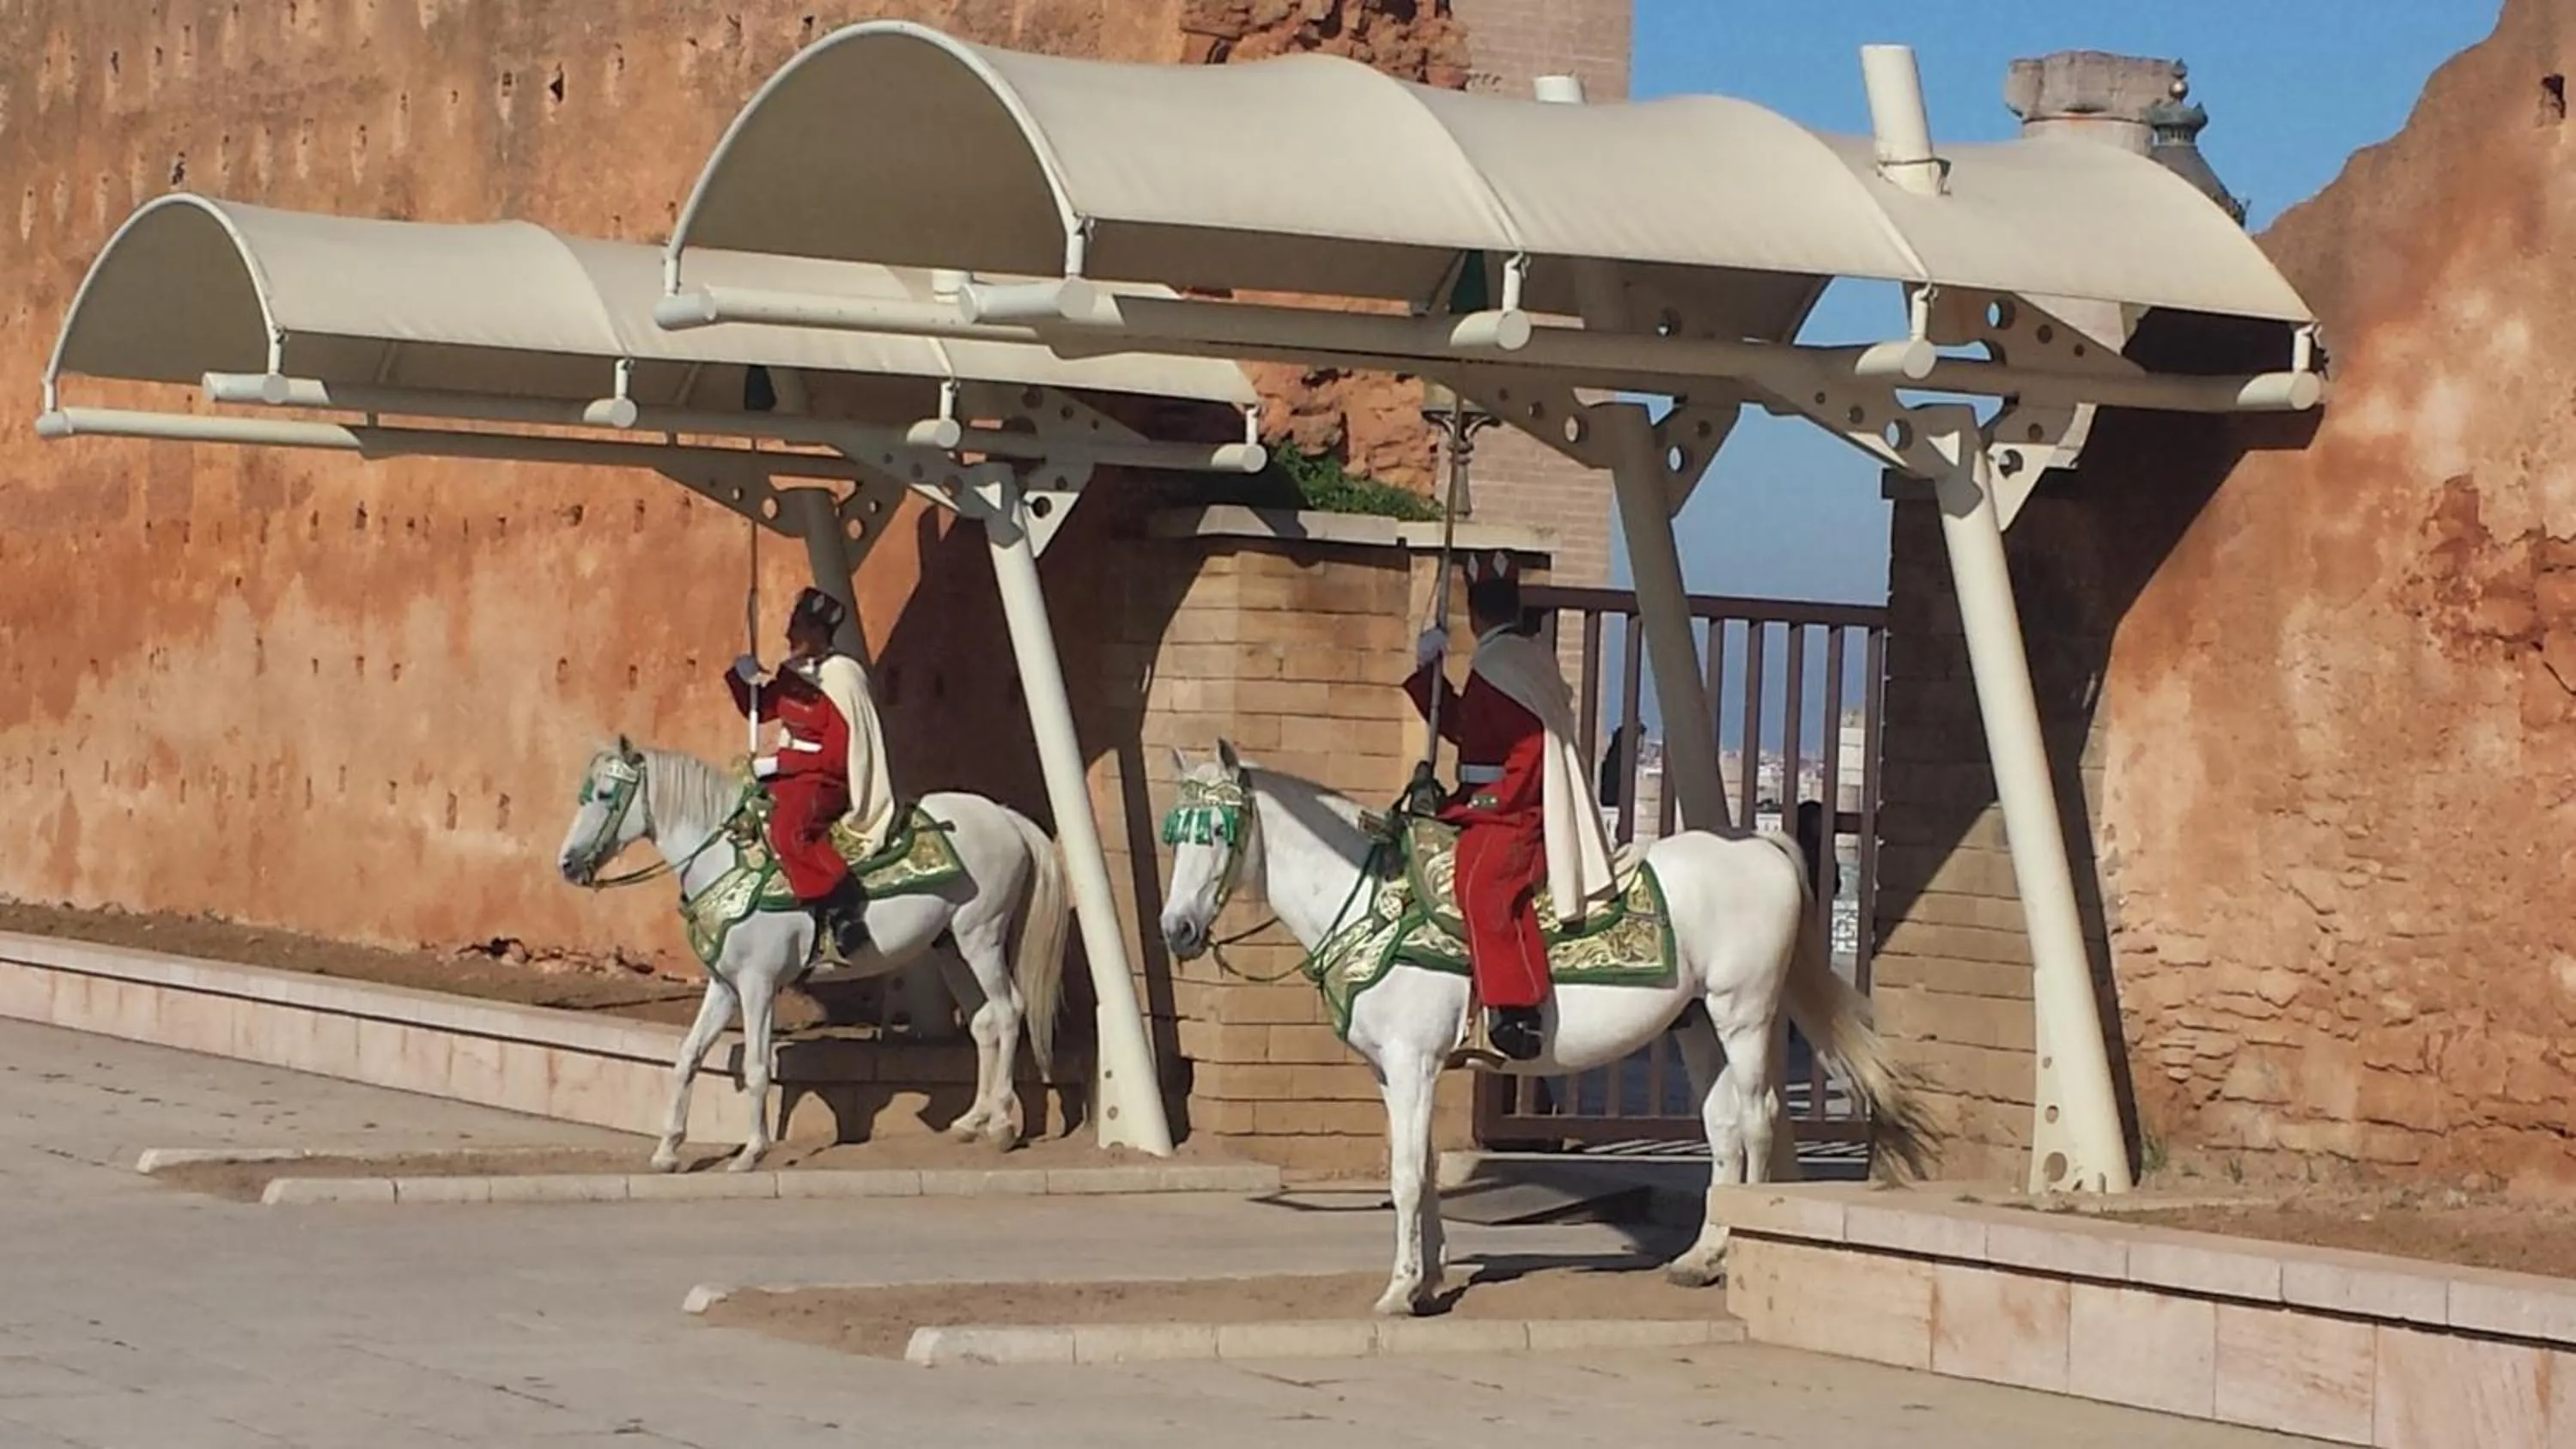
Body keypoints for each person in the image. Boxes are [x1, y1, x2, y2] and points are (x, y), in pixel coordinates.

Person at [1404, 553, 1619, 1061]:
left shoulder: (1506, 661)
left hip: (1513, 811)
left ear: (1475, 614)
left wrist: (1491, 801)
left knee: (1484, 882)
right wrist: (1428, 677)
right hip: (1481, 802)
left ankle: (1515, 1009)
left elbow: (1530, 749)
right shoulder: (1496, 659)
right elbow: (1463, 728)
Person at [724, 587, 897, 961]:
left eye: (798, 627)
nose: (789, 635)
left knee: (789, 830)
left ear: (820, 632)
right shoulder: (793, 673)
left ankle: (842, 905)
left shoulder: (841, 677)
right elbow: (765, 707)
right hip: (792, 774)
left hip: (825, 781)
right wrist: (742, 678)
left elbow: (836, 758)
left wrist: (780, 764)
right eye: (790, 625)